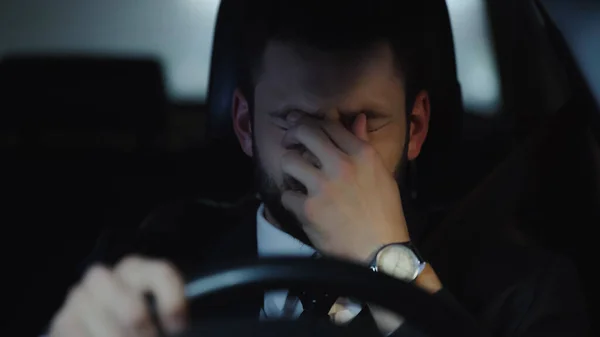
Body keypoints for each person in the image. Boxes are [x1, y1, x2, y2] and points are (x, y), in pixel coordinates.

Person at [48, 0, 589, 336]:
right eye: (293, 119)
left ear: (416, 126)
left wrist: (386, 259)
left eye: (362, 120)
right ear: (245, 124)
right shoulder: (146, 260)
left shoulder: (523, 288)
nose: (324, 151)